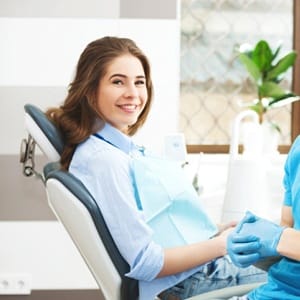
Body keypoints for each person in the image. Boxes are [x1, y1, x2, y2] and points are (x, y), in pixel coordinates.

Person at [46, 36, 266, 300]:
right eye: (118, 82)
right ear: (90, 90)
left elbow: (150, 224)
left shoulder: (114, 150)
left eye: (139, 82)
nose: (133, 93)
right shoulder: (106, 161)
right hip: (187, 282)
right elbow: (147, 262)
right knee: (290, 272)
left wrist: (216, 231)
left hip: (192, 274)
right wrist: (222, 245)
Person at [227, 135, 300, 300]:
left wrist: (278, 238)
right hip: (272, 292)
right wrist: (257, 247)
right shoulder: (298, 148)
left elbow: (283, 238)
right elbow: (287, 225)